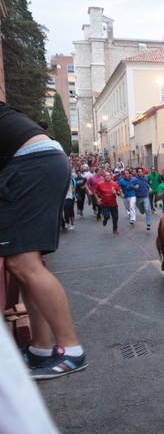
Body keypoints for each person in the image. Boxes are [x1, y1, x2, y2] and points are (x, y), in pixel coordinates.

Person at [0, 101, 87, 379]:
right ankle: (40, 349)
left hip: (29, 163)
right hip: (39, 159)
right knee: (24, 263)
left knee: (24, 264)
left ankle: (71, 350)